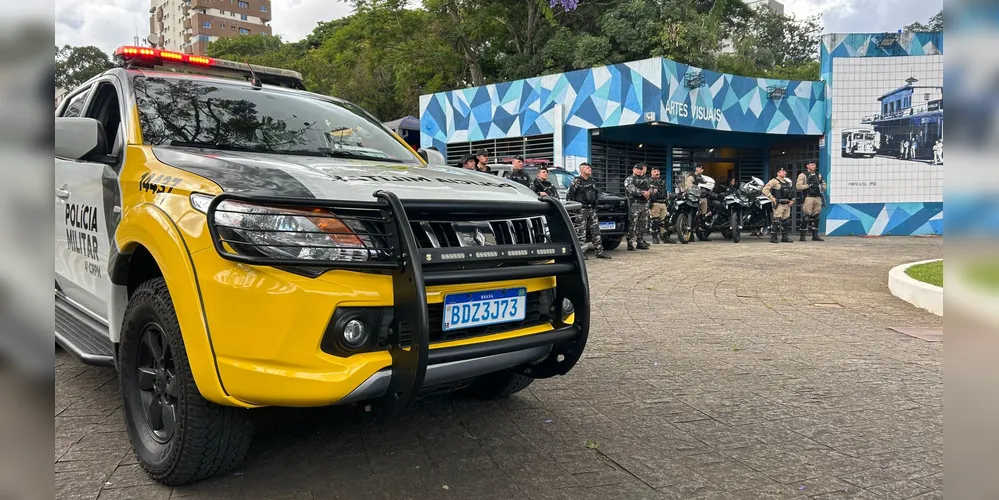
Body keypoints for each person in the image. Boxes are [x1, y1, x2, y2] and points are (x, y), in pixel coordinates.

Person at [566, 163, 611, 259]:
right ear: (582, 170)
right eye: (587, 168)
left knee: (596, 230)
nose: (590, 169)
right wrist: (574, 208)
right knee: (581, 231)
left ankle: (599, 251)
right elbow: (569, 196)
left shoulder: (592, 181)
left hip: (591, 209)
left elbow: (596, 193)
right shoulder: (577, 181)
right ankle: (581, 252)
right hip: (581, 210)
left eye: (590, 167)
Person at [762, 167, 795, 243]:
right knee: (777, 221)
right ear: (778, 173)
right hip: (779, 203)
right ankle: (773, 237)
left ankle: (785, 237)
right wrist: (771, 197)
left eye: (785, 171)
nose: (784, 173)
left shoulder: (787, 182)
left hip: (786, 203)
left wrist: (792, 200)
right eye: (782, 171)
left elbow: (791, 192)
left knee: (786, 221)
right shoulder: (774, 181)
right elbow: (765, 190)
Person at [624, 163, 652, 251]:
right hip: (634, 205)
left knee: (643, 224)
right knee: (633, 224)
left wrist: (649, 192)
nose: (639, 171)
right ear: (633, 169)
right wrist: (644, 193)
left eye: (640, 169)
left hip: (644, 204)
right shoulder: (629, 179)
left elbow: (652, 187)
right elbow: (632, 189)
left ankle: (640, 241)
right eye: (637, 169)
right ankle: (630, 243)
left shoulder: (646, 179)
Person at [795, 162, 826, 241]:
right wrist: (809, 185)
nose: (814, 166)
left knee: (817, 216)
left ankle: (815, 236)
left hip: (817, 197)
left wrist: (822, 187)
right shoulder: (803, 175)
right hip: (808, 197)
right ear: (807, 166)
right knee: (806, 216)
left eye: (814, 165)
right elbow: (798, 186)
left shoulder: (818, 175)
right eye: (812, 165)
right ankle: (802, 236)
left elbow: (824, 183)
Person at [648, 167, 673, 244]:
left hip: (663, 203)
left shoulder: (662, 181)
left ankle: (665, 238)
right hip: (655, 203)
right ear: (651, 173)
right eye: (655, 171)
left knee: (664, 221)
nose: (657, 173)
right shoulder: (649, 181)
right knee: (654, 221)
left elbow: (665, 192)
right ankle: (654, 238)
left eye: (658, 171)